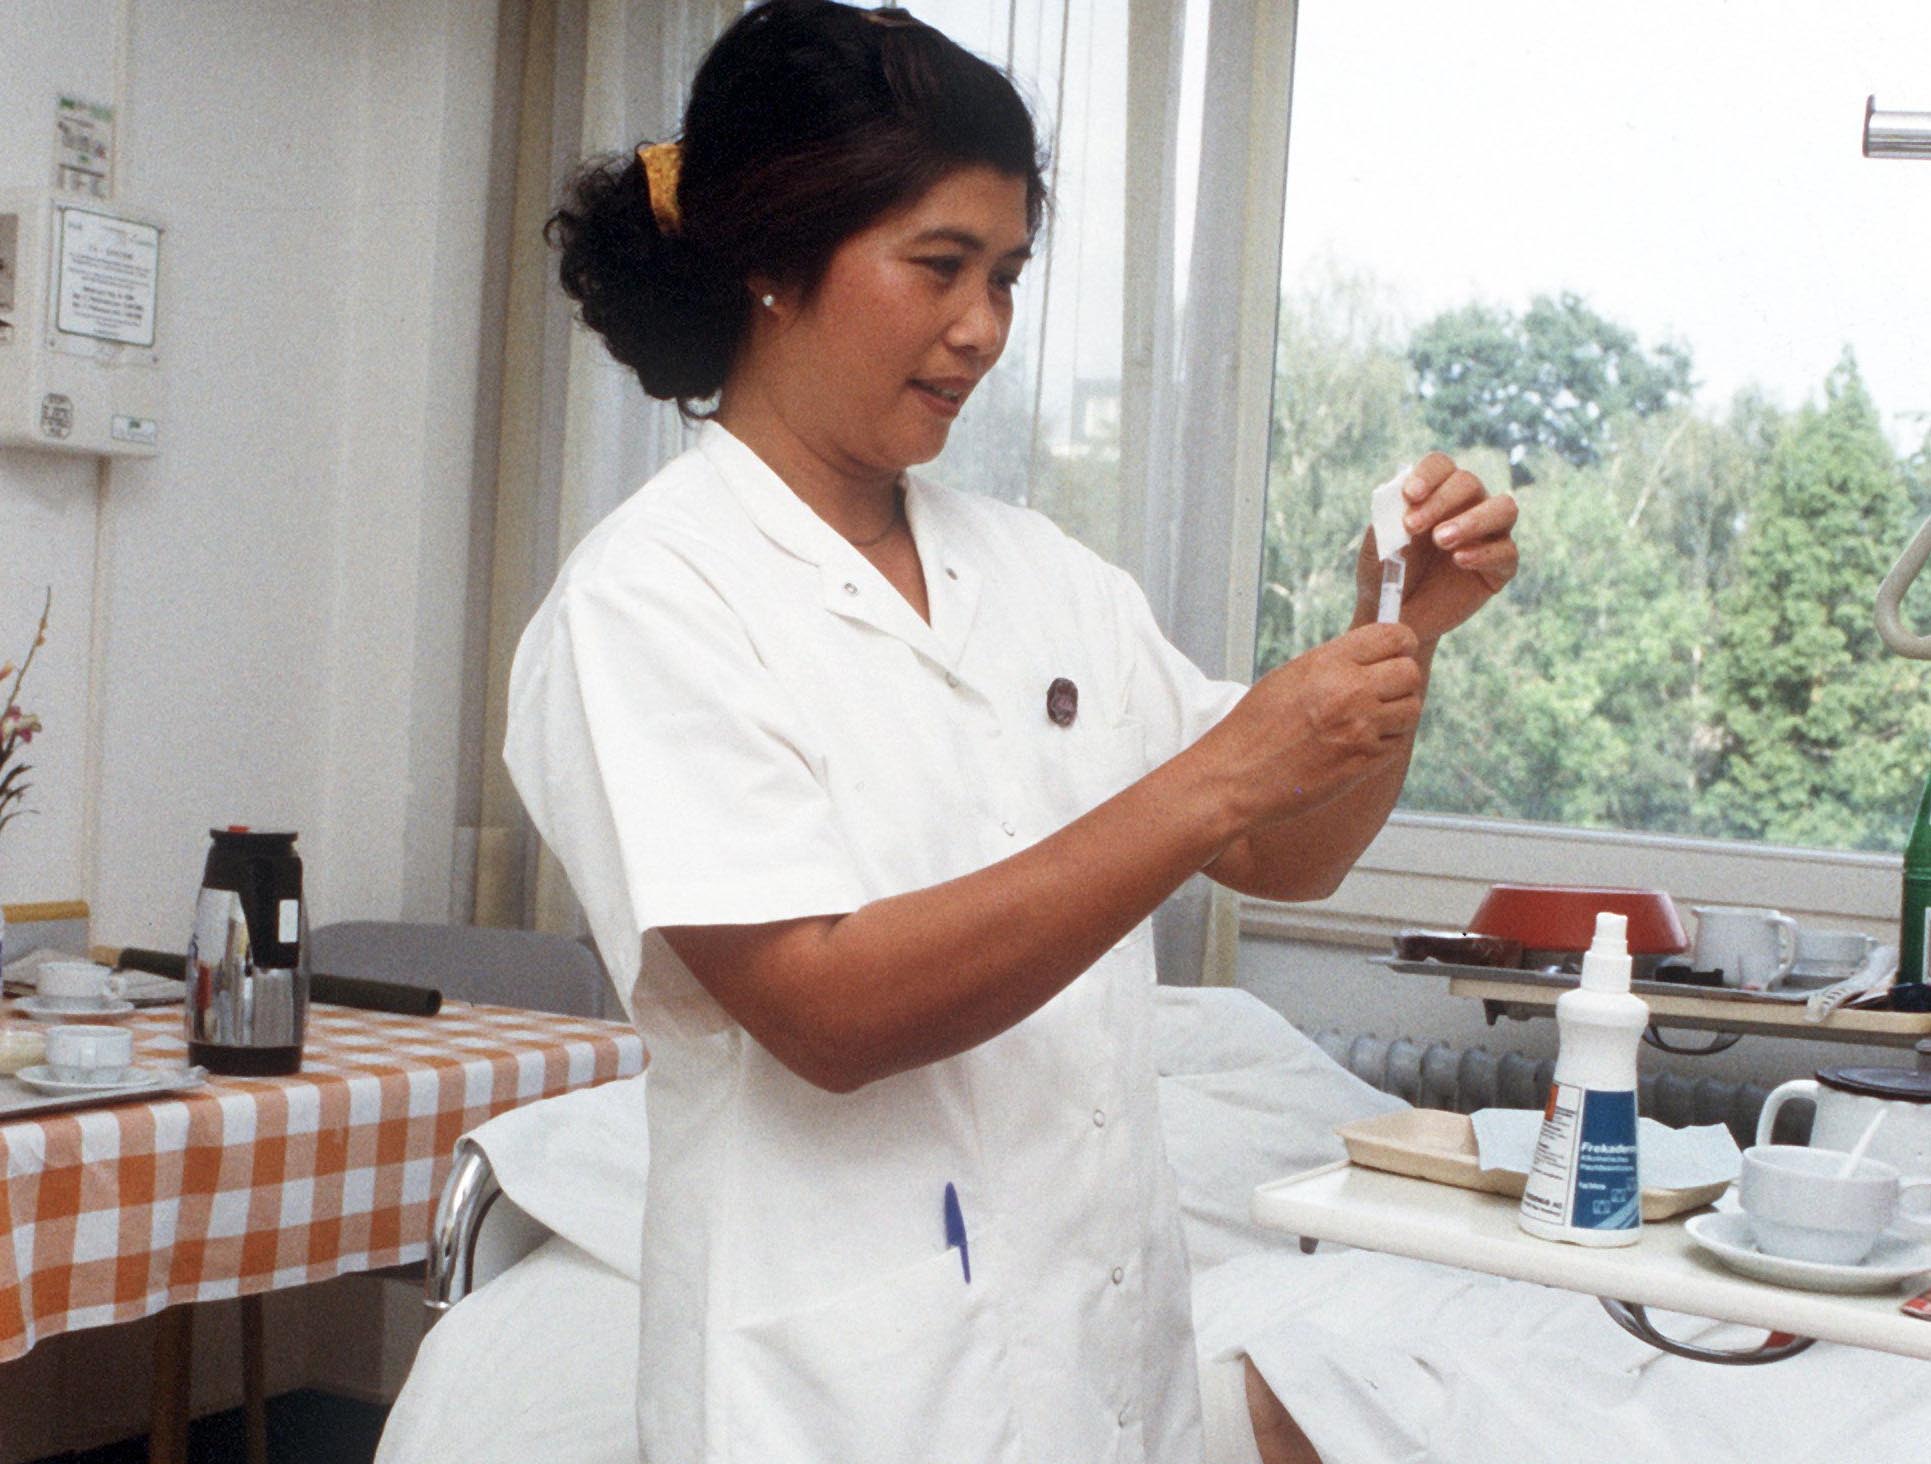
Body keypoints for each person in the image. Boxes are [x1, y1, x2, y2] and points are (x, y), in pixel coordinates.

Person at [504, 3, 1518, 1461]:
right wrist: (1221, 775)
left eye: (1008, 275)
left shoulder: (1037, 572)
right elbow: (827, 1010)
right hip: (839, 1401)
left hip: (1101, 1367)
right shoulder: (650, 602)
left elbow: (1288, 854)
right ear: (776, 261)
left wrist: (1400, 636)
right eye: (939, 268)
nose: (981, 327)